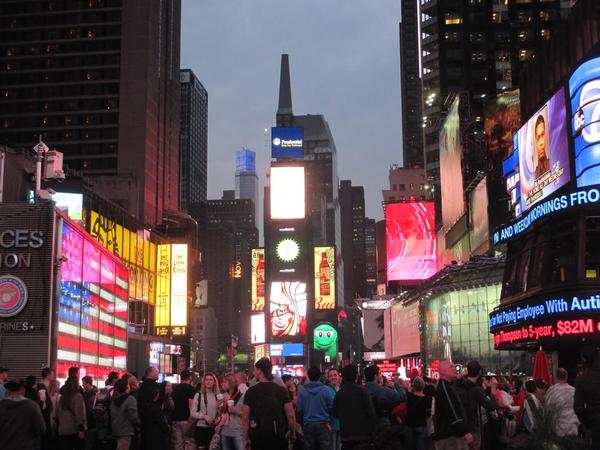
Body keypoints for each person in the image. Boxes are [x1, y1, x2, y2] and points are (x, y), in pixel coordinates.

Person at [243, 357, 297, 450]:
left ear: (260, 371)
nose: (254, 373)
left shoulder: (251, 392)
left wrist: (246, 438)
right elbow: (291, 415)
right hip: (278, 437)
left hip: (258, 438)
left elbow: (245, 418)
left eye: (255, 370)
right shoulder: (281, 390)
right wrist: (293, 434)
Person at [332, 364, 377, 449]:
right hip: (364, 437)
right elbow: (371, 413)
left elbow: (335, 413)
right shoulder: (363, 391)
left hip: (346, 437)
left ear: (343, 377)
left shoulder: (339, 394)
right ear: (356, 376)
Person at [433, 360, 472, 450]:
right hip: (450, 438)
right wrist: (464, 431)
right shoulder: (444, 388)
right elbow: (452, 411)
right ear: (443, 372)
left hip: (452, 435)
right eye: (451, 367)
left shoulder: (448, 385)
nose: (455, 368)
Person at [460, 361, 498, 450]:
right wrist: (493, 388)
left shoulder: (460, 384)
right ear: (480, 372)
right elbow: (491, 406)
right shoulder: (476, 390)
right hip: (473, 428)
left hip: (461, 428)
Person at [0, 380, 46, 450]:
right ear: (23, 390)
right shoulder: (32, 406)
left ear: (7, 390)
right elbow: (41, 429)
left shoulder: (1, 405)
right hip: (27, 446)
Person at [296, 366, 334, 450]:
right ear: (319, 376)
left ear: (308, 376)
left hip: (308, 424)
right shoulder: (326, 390)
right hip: (324, 424)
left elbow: (299, 410)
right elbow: (331, 407)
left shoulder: (302, 391)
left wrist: (303, 424)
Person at [574, 346, 600, 446]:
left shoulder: (582, 379)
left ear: (584, 359)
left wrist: (588, 423)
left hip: (595, 425)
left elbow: (578, 407)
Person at [190, 373, 221, 449]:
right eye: (206, 380)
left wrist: (218, 418)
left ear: (214, 382)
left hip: (213, 428)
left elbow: (220, 413)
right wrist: (204, 416)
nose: (208, 382)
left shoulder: (218, 396)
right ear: (204, 382)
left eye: (211, 380)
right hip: (201, 428)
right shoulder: (199, 395)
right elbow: (193, 413)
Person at [545, 368, 578, 437]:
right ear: (566, 377)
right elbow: (579, 408)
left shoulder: (551, 391)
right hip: (573, 427)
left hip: (558, 429)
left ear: (555, 377)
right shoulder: (574, 391)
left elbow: (547, 409)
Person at [56, 375, 86, 450]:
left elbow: (58, 414)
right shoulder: (78, 396)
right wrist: (81, 429)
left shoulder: (62, 397)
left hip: (62, 430)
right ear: (76, 385)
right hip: (73, 430)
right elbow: (79, 414)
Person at [110, 378, 141, 450]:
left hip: (116, 431)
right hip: (126, 432)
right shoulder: (130, 399)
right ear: (127, 387)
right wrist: (140, 425)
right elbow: (133, 417)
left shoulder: (113, 401)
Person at [140, 381, 171, 450]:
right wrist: (167, 429)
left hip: (147, 434)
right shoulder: (156, 408)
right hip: (157, 435)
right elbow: (161, 422)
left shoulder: (144, 407)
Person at [171, 369, 197, 450]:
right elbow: (191, 405)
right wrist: (192, 420)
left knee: (178, 443)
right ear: (189, 377)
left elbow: (173, 404)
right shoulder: (191, 389)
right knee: (189, 443)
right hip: (187, 420)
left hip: (175, 419)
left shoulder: (174, 389)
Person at [221, 373, 245, 450]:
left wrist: (236, 411)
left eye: (225, 382)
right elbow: (219, 414)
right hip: (224, 430)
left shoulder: (242, 396)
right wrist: (220, 406)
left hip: (237, 431)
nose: (223, 384)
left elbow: (246, 414)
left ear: (231, 382)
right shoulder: (223, 396)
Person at [406, 377, 431, 450]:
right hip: (421, 425)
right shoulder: (427, 399)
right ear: (423, 386)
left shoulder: (409, 396)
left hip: (410, 425)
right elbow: (428, 413)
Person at [327, 368, 342, 450]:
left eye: (335, 375)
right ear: (328, 378)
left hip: (342, 424)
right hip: (330, 424)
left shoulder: (342, 389)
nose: (333, 377)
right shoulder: (326, 390)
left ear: (339, 376)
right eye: (331, 376)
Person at [534, 114, 550, 179]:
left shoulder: (553, 164)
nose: (541, 143)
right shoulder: (534, 176)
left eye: (542, 135)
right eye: (538, 137)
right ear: (535, 141)